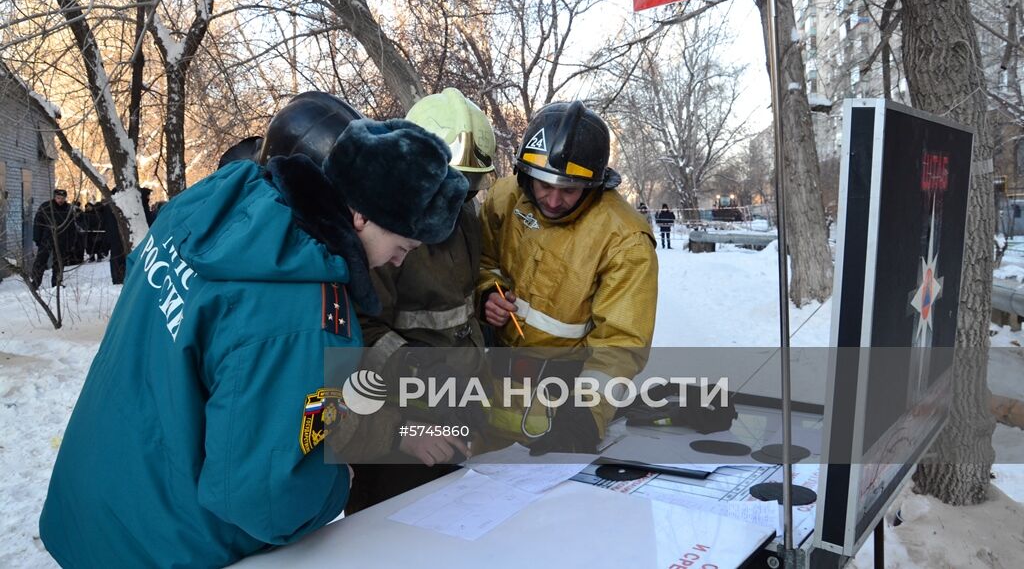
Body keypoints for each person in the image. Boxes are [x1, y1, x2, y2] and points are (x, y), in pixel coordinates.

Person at [39, 92, 469, 569]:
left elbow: (254, 394)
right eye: (403, 246)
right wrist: (336, 482)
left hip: (96, 499)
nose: (397, 260)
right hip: (163, 546)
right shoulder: (301, 311)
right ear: (361, 214)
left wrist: (388, 432)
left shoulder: (211, 210)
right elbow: (263, 498)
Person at [346, 87, 497, 514]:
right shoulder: (384, 233)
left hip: (455, 411)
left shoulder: (466, 218)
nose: (456, 200)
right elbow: (362, 327)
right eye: (448, 185)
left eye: (469, 188)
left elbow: (462, 302)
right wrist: (416, 369)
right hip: (399, 427)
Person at [479, 101, 658, 454]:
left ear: (594, 185)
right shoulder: (506, 197)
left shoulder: (625, 240)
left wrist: (583, 420)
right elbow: (483, 261)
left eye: (569, 189)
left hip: (560, 410)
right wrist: (487, 293)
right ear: (525, 174)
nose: (553, 200)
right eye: (544, 185)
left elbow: (620, 345)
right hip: (488, 397)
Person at [30, 188, 75, 289]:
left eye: (62, 198)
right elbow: (38, 223)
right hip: (46, 237)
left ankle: (57, 282)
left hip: (62, 238)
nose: (60, 200)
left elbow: (72, 227)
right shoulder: (46, 207)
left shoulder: (68, 209)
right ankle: (35, 282)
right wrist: (37, 238)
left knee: (59, 262)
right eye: (58, 198)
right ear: (54, 197)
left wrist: (71, 242)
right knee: (41, 260)